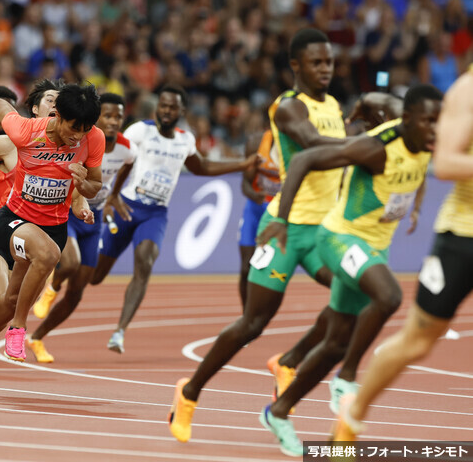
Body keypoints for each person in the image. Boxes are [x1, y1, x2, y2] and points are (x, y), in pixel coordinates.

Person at [168, 28, 347, 443]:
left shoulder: (335, 105)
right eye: (317, 62)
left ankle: (290, 361)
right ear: (296, 66)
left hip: (324, 231)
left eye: (330, 62)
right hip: (284, 229)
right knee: (252, 322)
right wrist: (371, 143)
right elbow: (314, 144)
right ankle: (189, 392)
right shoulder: (287, 108)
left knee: (352, 296)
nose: (325, 69)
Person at [255, 84, 441, 456]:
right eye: (427, 122)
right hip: (339, 238)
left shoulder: (421, 130)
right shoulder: (374, 148)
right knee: (389, 296)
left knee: (336, 341)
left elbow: (378, 99)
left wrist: (358, 108)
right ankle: (348, 378)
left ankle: (278, 410)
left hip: (374, 244)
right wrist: (283, 219)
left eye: (440, 120)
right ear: (406, 121)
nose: (436, 129)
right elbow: (306, 160)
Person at [333, 72, 473, 441]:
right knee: (418, 340)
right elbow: (445, 162)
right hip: (464, 237)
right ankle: (353, 416)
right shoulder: (467, 92)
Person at [89, 85, 255, 353]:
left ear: (181, 111)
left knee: (145, 263)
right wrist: (111, 195)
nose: (166, 111)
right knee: (95, 276)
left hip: (155, 214)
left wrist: (242, 165)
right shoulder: (139, 131)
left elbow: (203, 167)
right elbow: (114, 155)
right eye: (163, 106)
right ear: (157, 108)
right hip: (126, 207)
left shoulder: (184, 140)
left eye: (172, 107)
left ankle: (119, 331)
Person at [0, 82, 103, 371]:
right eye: (74, 127)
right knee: (49, 256)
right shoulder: (26, 131)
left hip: (54, 226)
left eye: (85, 129)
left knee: (11, 298)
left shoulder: (93, 138)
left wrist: (82, 183)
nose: (79, 135)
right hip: (14, 219)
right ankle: (18, 328)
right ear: (57, 116)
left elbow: (94, 186)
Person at [27, 93, 135, 362]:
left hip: (94, 217)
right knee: (70, 263)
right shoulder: (85, 141)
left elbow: (128, 166)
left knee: (79, 290)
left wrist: (113, 195)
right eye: (107, 116)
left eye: (117, 116)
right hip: (71, 211)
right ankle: (52, 287)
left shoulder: (126, 149)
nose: (112, 121)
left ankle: (37, 337)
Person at [236, 129, 280, 309]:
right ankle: (246, 315)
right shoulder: (256, 142)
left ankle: (261, 312)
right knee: (246, 267)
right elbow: (245, 183)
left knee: (270, 270)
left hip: (279, 214)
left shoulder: (299, 147)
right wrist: (255, 196)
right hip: (255, 211)